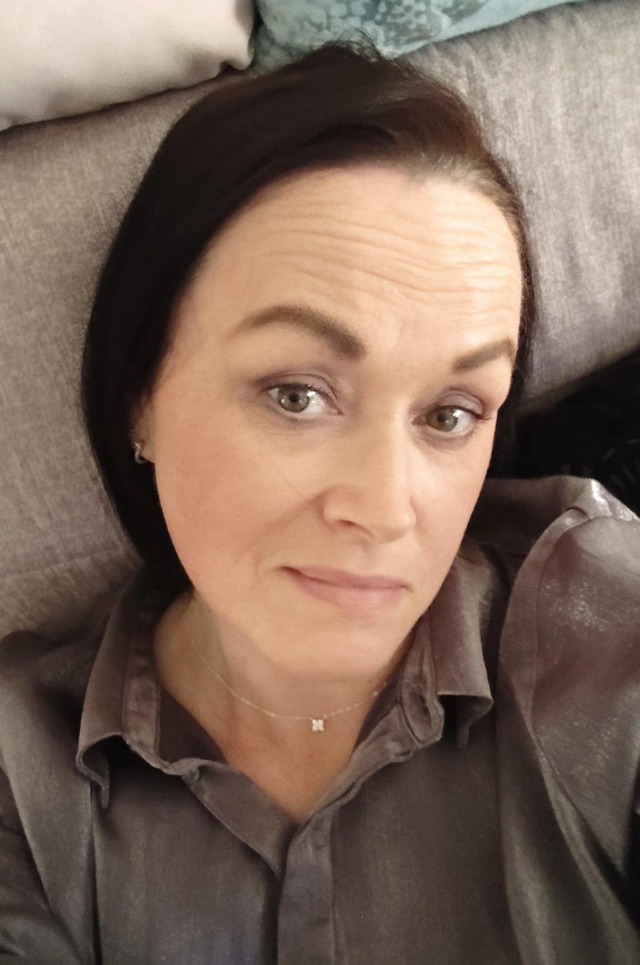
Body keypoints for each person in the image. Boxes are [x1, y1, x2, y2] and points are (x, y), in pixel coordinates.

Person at [1, 40, 640, 965]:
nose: (385, 510)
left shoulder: (596, 622)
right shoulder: (21, 780)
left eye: (451, 414)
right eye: (297, 394)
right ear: (141, 394)